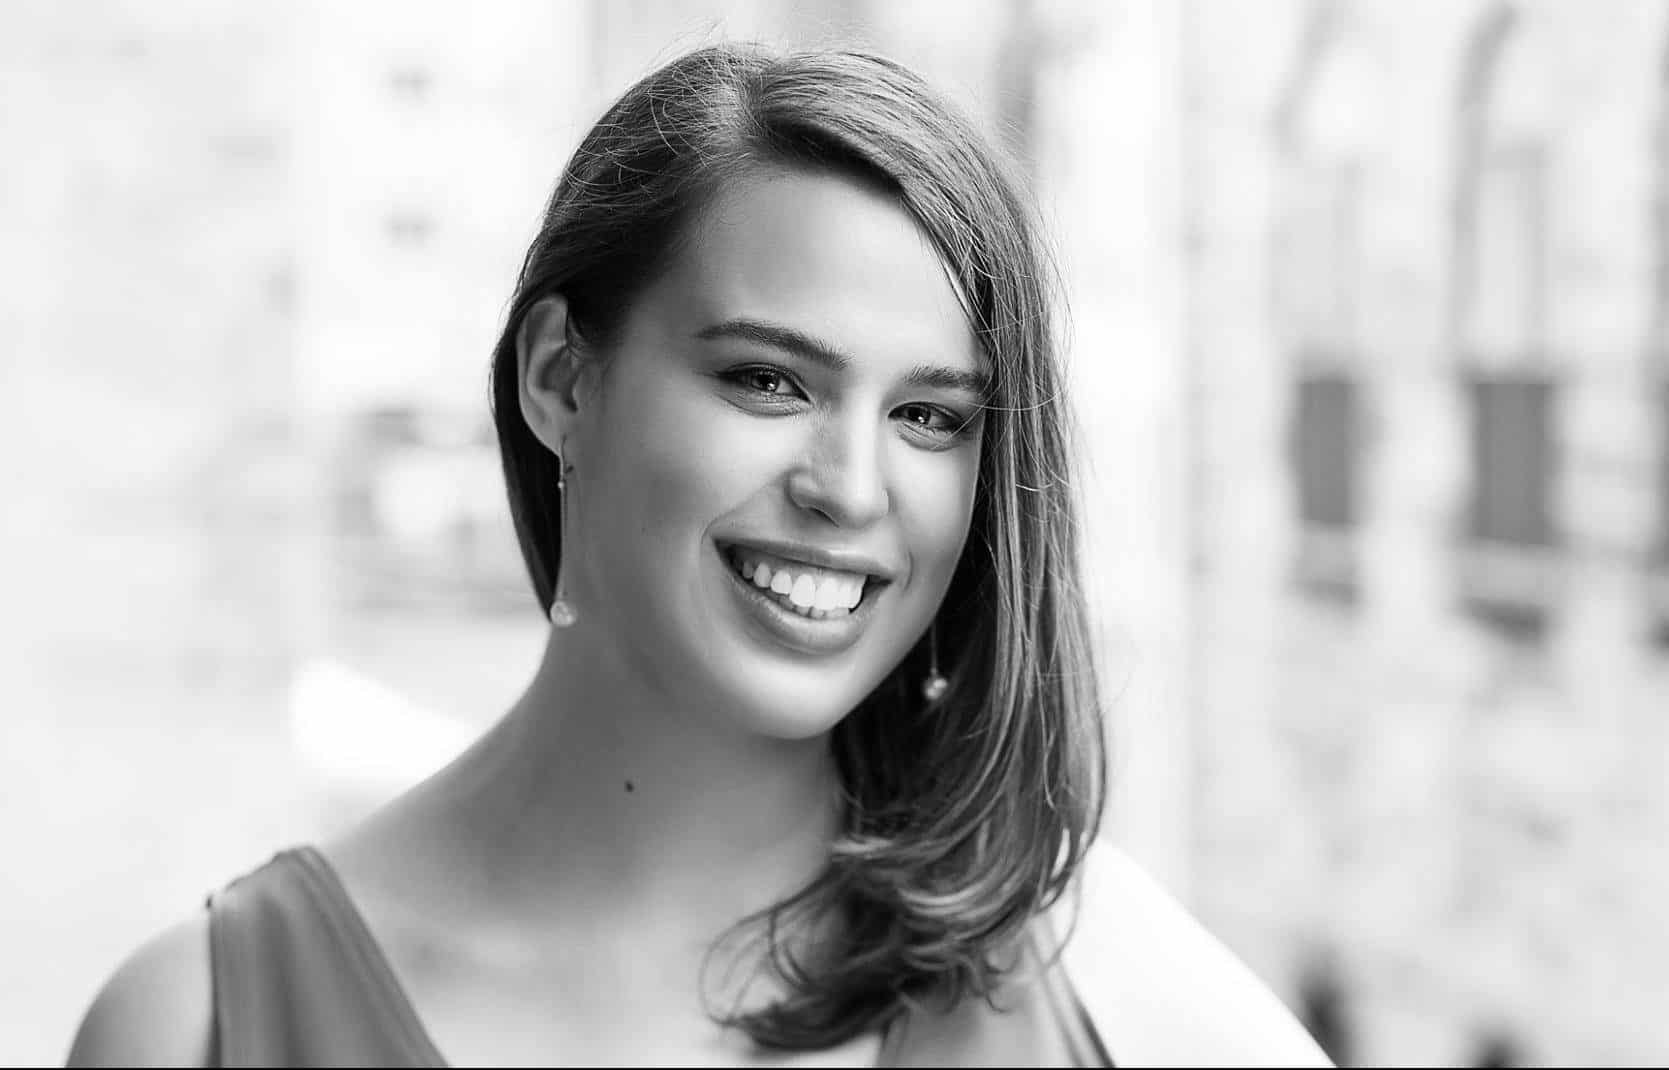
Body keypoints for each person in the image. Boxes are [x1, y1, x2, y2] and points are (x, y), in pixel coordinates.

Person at [65, 42, 1332, 1067]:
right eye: (768, 379)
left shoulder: (1101, 991)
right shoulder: (202, 1024)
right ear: (562, 375)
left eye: (929, 416)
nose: (848, 486)